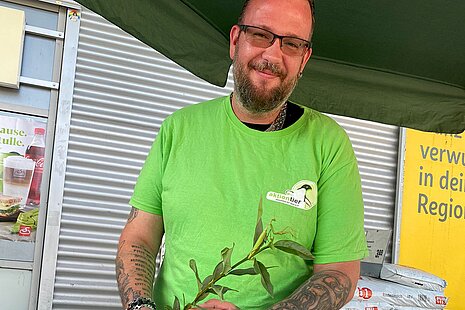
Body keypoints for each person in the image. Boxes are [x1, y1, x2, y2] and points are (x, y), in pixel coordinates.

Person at [116, 0, 368, 309]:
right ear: (236, 40)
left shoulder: (328, 145)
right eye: (261, 34)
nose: (273, 55)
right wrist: (140, 306)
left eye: (291, 44)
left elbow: (339, 271)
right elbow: (139, 236)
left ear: (304, 59)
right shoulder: (178, 129)